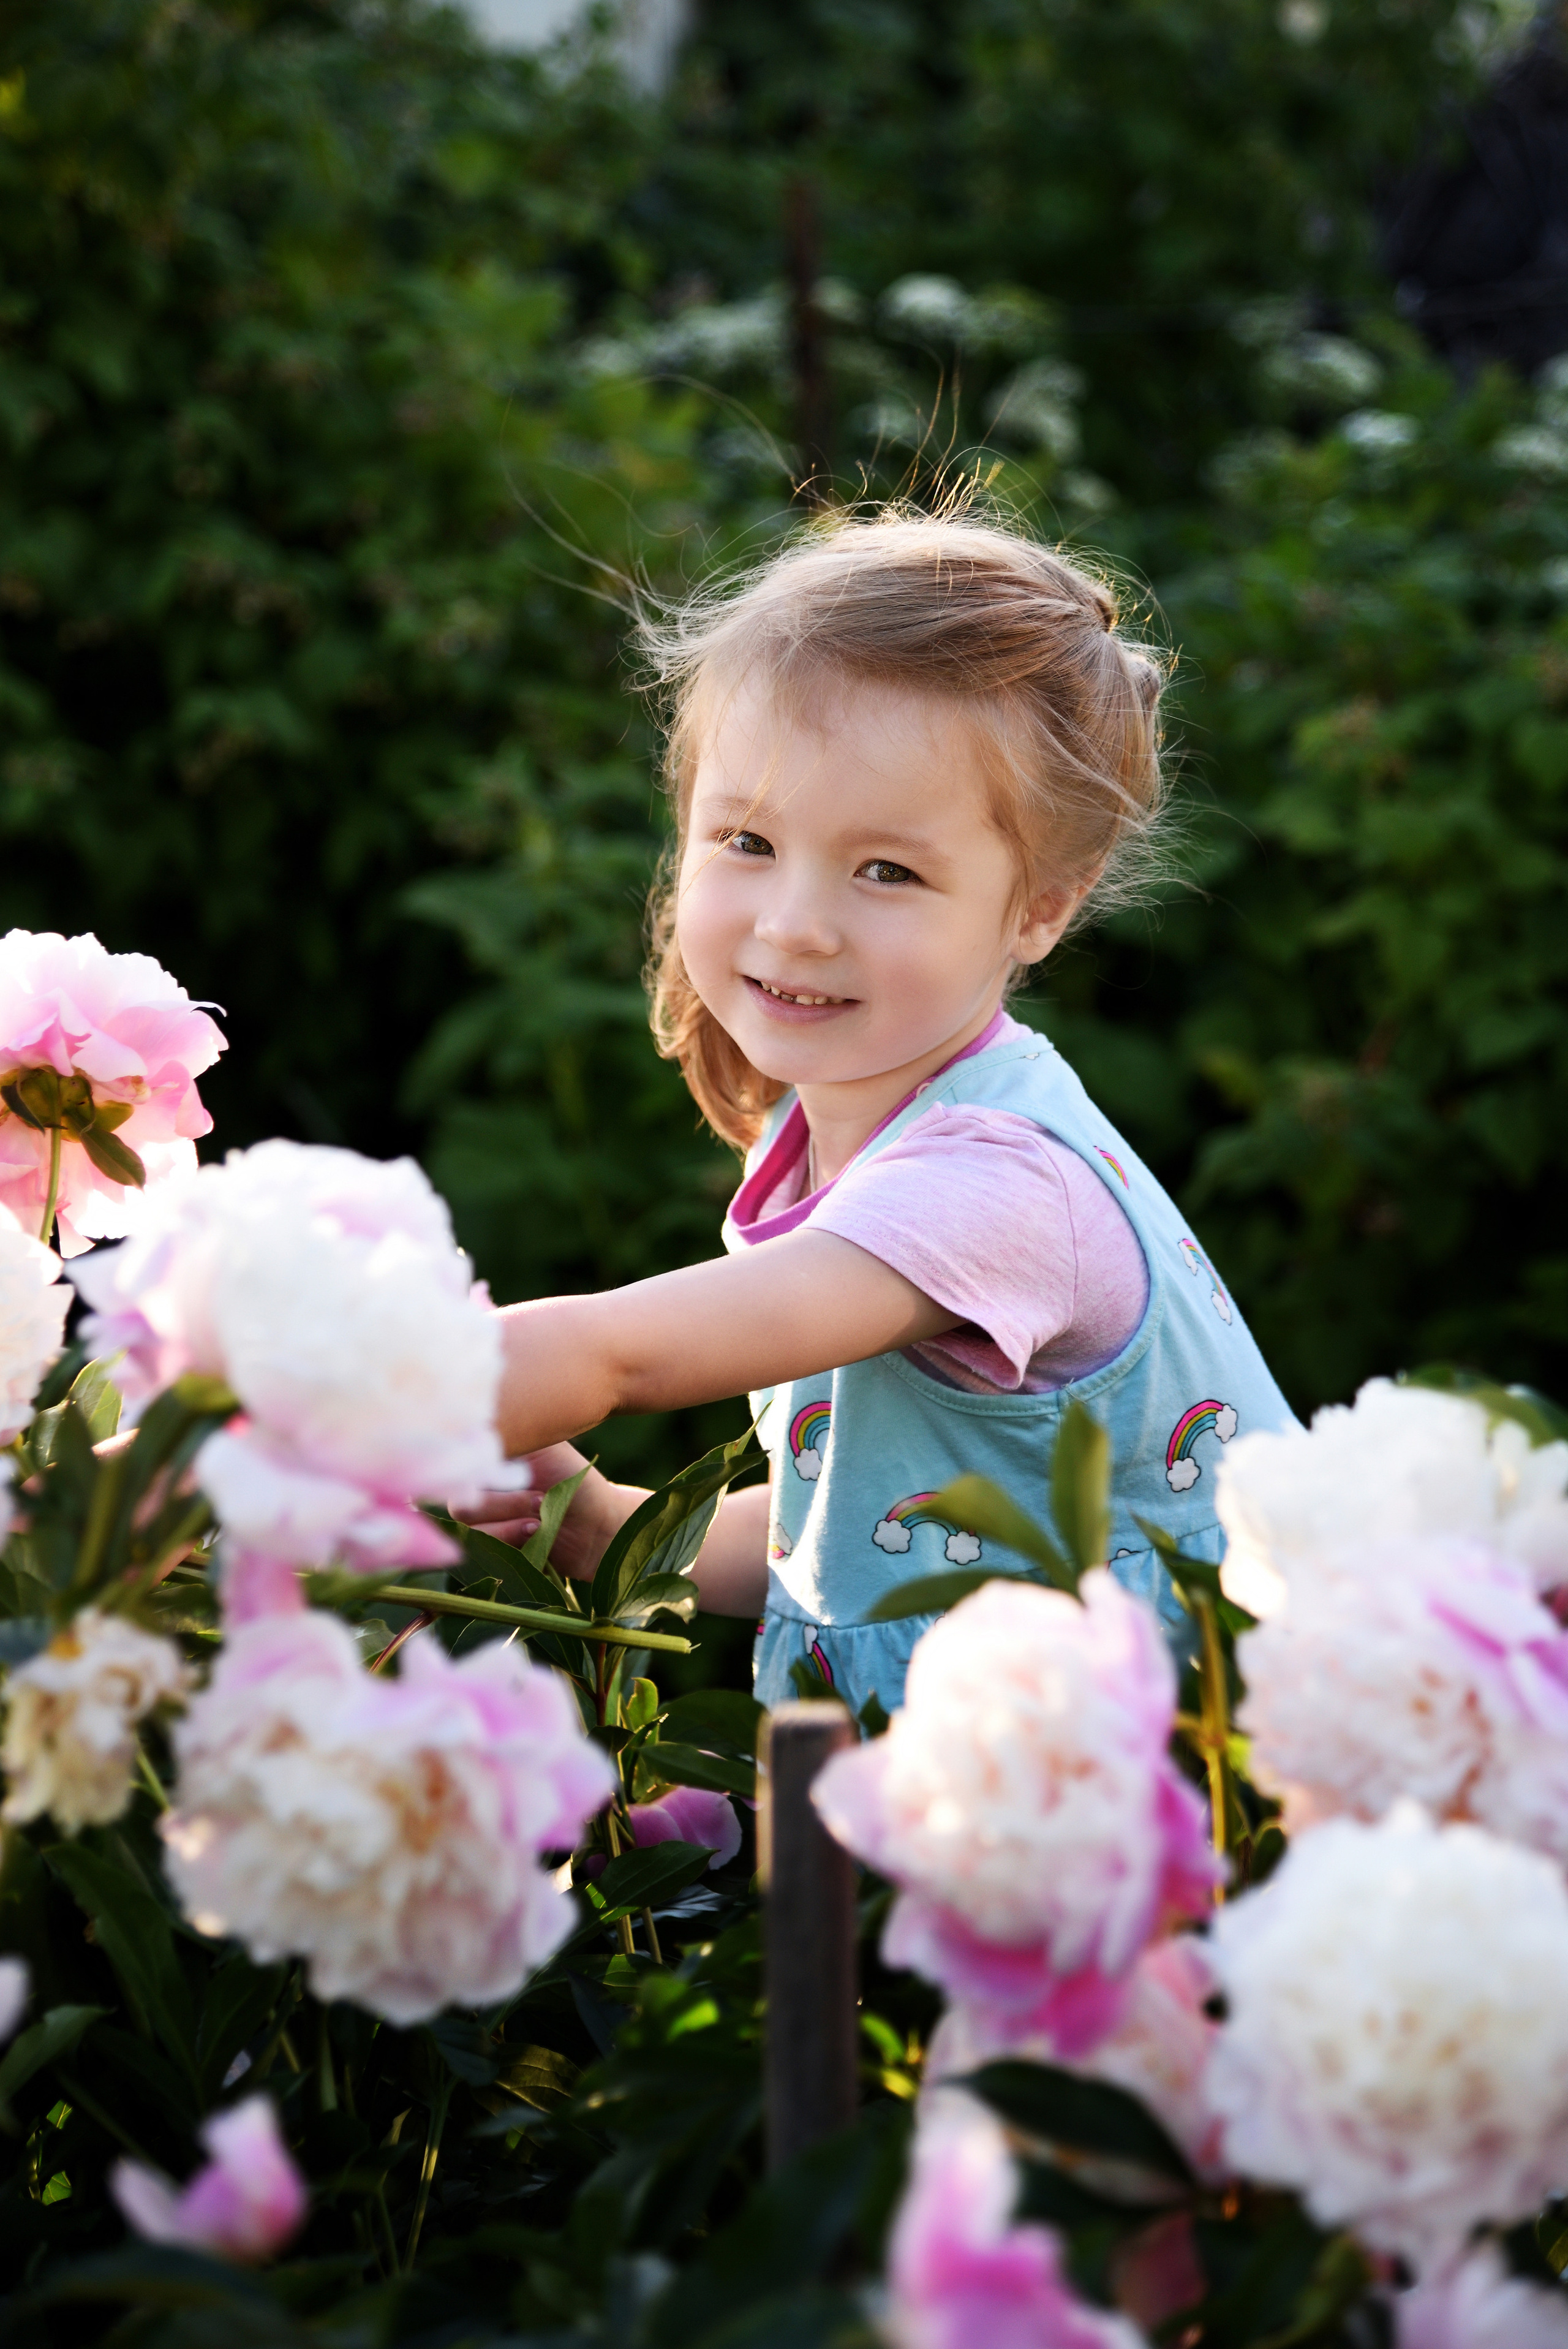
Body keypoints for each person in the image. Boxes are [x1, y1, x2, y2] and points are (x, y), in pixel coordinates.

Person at [470, 507, 1299, 1717]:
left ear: (1037, 912)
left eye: (886, 871)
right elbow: (879, 1527)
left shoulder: (990, 1186)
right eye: (746, 839)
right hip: (953, 1797)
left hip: (1145, 1805)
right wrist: (618, 1532)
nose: (795, 922)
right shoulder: (843, 1130)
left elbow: (614, 1356)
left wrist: (223, 1445)